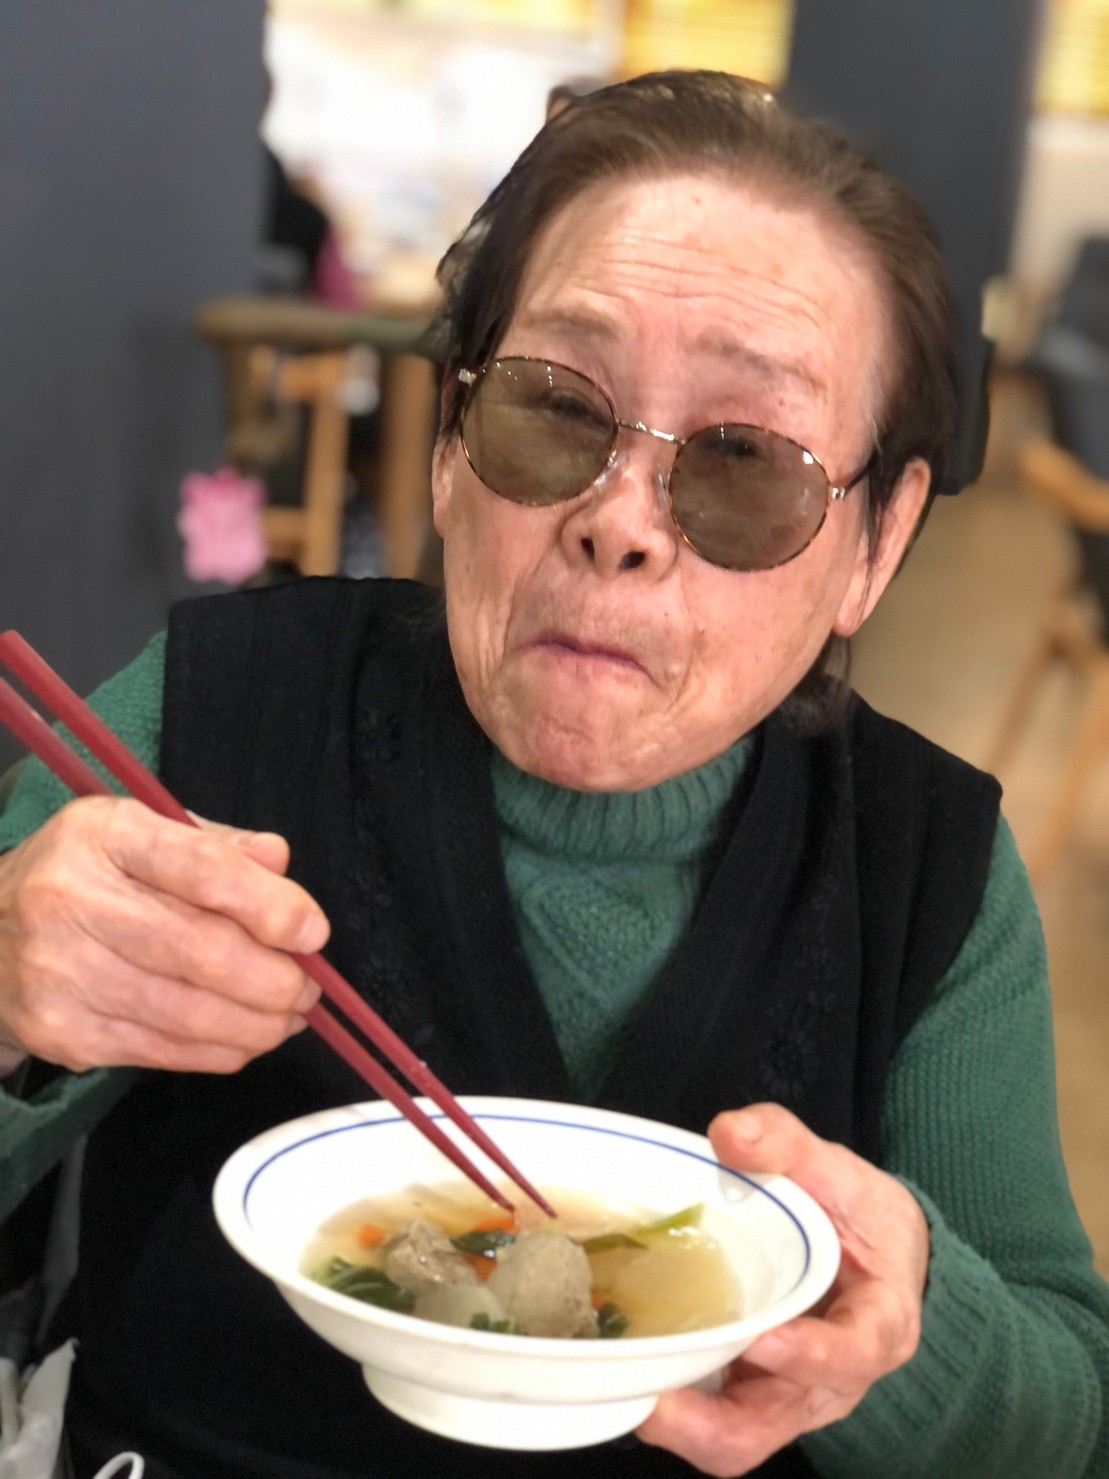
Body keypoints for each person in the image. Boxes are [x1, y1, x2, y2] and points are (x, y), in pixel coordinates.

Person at [0, 71, 1106, 1479]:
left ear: (875, 547)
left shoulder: (920, 864)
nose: (619, 522)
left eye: (744, 461)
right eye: (554, 411)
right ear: (451, 444)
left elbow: (1070, 1421)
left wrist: (912, 1325)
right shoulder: (213, 720)